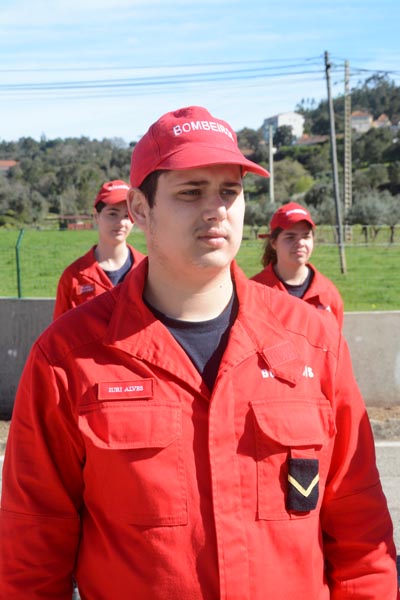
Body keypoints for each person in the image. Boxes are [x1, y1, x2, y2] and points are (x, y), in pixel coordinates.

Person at [0, 105, 398, 600]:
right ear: (140, 209)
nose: (216, 210)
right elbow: (31, 554)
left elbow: (362, 537)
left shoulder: (313, 342)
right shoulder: (67, 358)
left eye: (229, 192)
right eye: (191, 192)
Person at [53, 179, 144, 319]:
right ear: (96, 216)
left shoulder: (148, 271)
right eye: (112, 214)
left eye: (127, 215)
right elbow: (60, 330)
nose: (121, 223)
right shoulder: (73, 277)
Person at [252, 202, 344, 327]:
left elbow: (335, 338)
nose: (300, 243)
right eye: (290, 237)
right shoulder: (254, 292)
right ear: (274, 243)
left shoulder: (328, 293)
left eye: (306, 236)